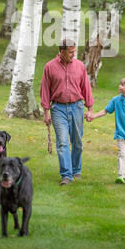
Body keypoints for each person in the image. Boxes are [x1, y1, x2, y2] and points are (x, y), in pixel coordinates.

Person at [40, 39, 94, 185]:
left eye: (74, 51)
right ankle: (66, 175)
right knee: (63, 142)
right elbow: (44, 90)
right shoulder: (50, 67)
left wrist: (90, 108)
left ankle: (76, 170)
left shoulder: (80, 66)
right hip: (58, 109)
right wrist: (46, 112)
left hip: (77, 107)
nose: (73, 54)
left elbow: (86, 87)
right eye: (70, 52)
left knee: (77, 142)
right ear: (62, 51)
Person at [86, 78, 125, 184]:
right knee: (121, 154)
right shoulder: (115, 100)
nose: (119, 86)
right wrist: (93, 116)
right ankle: (121, 176)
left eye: (122, 85)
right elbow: (105, 111)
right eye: (120, 84)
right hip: (120, 133)